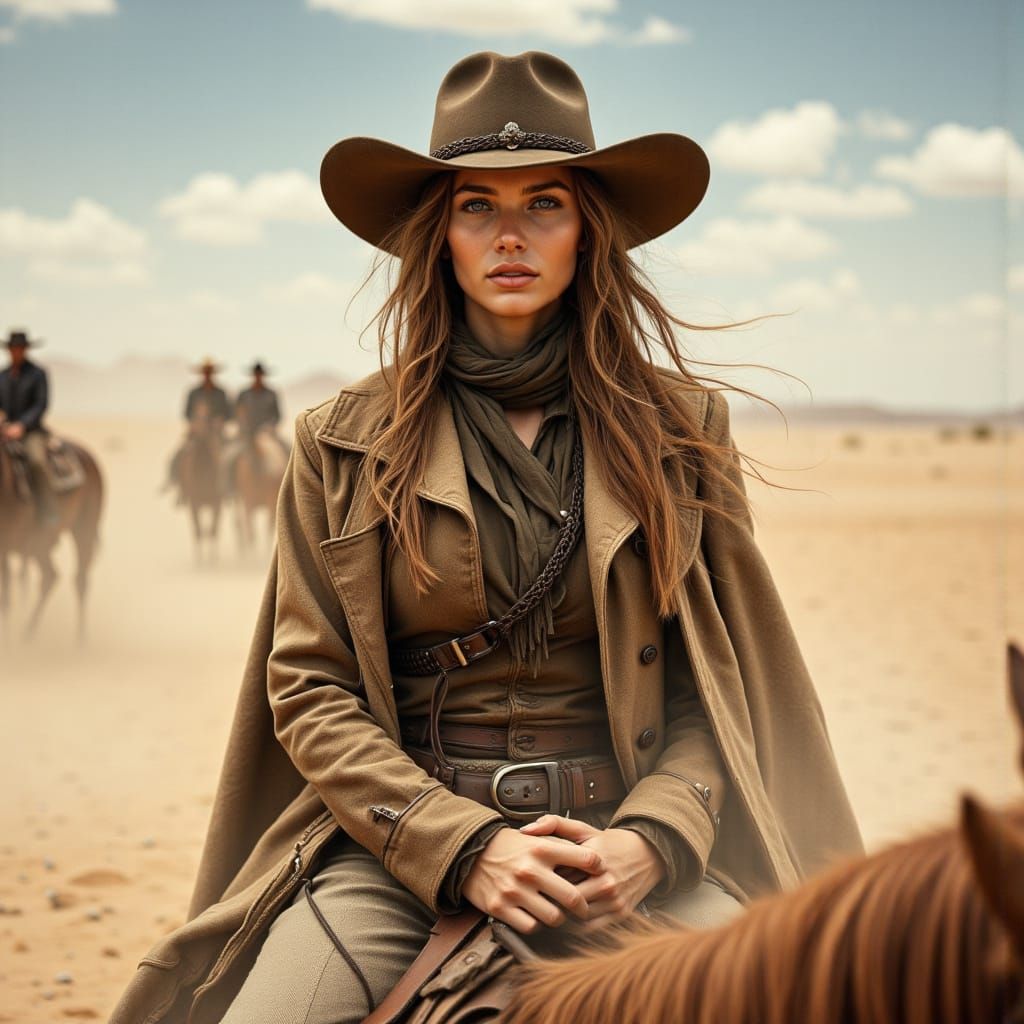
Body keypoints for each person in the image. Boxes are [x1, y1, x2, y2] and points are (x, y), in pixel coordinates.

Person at [111, 50, 863, 1024]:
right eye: (477, 206)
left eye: (544, 202)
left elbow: (713, 685)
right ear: (441, 235)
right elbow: (309, 689)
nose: (510, 234)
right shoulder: (340, 441)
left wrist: (655, 834)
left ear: (587, 229)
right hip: (400, 850)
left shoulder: (682, 431)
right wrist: (463, 845)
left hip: (629, 851)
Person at [0, 329, 58, 526]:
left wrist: (22, 425)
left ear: (25, 350)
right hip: (4, 432)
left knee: (36, 462)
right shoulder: (2, 376)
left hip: (31, 432)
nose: (16, 352)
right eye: (12, 349)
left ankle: (48, 511)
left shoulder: (37, 374)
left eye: (19, 349)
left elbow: (41, 404)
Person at [165, 357, 233, 498]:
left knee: (226, 458)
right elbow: (186, 413)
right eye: (205, 372)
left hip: (216, 433)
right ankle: (179, 486)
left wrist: (220, 421)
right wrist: (194, 423)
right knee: (179, 454)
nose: (207, 375)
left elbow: (229, 413)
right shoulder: (194, 393)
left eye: (209, 372)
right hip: (197, 432)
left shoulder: (221, 393)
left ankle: (227, 489)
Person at [222, 361, 288, 493]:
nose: (258, 377)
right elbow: (235, 414)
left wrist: (270, 427)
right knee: (228, 456)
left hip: (267, 435)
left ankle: (288, 491)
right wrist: (242, 425)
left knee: (289, 451)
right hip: (246, 434)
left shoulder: (271, 394)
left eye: (260, 375)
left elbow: (278, 415)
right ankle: (229, 490)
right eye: (256, 375)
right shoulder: (244, 394)